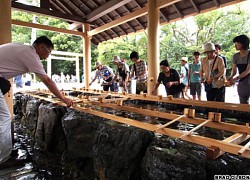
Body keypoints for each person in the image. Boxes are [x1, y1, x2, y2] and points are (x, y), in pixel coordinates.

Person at [0, 36, 73, 166]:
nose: (48, 56)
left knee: (3, 118)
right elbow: (47, 81)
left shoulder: (22, 49)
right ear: (41, 47)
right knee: (4, 118)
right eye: (48, 52)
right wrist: (63, 98)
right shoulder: (30, 54)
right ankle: (4, 158)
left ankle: (5, 152)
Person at [227, 35, 250, 104]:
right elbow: (234, 70)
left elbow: (247, 71)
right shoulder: (236, 56)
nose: (235, 45)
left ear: (243, 43)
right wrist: (231, 77)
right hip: (242, 82)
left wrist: (236, 78)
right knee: (243, 104)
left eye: (237, 43)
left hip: (247, 79)